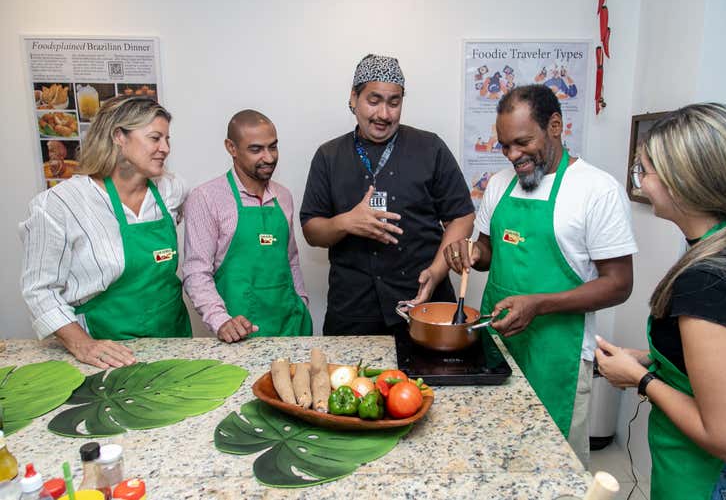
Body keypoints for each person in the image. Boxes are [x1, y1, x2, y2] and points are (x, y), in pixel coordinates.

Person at [594, 103, 726, 500]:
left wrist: (640, 379)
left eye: (643, 171)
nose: (640, 183)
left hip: (723, 480)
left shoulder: (707, 282)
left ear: (679, 183)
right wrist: (652, 357)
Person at [444, 84, 636, 465]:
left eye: (522, 142)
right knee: (493, 453)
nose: (512, 155)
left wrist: (540, 304)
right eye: (504, 146)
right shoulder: (499, 185)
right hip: (497, 346)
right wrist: (467, 252)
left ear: (555, 125)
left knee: (551, 464)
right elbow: (485, 253)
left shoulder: (597, 190)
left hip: (558, 355)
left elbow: (619, 284)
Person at [300, 54, 475, 335]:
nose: (384, 114)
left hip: (423, 304)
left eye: (394, 103)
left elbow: (461, 215)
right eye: (374, 100)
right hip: (353, 311)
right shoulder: (328, 156)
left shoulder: (430, 148)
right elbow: (312, 230)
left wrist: (437, 270)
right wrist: (345, 222)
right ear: (353, 98)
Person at [19, 96, 191, 368]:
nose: (165, 148)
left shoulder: (171, 189)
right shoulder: (60, 205)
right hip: (106, 351)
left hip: (173, 339)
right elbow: (40, 290)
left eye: (167, 139)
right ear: (118, 137)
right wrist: (82, 344)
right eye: (155, 138)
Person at [182, 110, 312, 341]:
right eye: (256, 149)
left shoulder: (283, 196)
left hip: (291, 329)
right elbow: (196, 272)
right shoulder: (207, 198)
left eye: (273, 147)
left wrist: (301, 301)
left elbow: (290, 258)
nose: (269, 157)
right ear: (231, 148)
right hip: (239, 334)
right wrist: (220, 320)